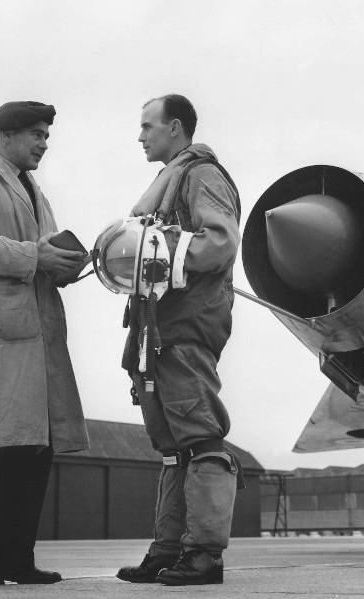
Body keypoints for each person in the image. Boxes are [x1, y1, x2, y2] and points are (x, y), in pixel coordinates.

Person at [0, 101, 90, 588]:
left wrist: (64, 266)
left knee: (31, 451)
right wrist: (37, 255)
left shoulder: (36, 193)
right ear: (4, 136)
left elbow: (42, 256)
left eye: (45, 135)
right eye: (35, 134)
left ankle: (14, 559)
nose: (43, 143)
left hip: (35, 336)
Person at [115, 94, 241, 586]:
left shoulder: (201, 175)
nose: (141, 135)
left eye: (147, 126)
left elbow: (221, 240)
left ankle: (206, 555)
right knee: (171, 446)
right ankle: (168, 549)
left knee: (200, 435)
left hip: (186, 327)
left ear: (174, 127)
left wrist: (160, 256)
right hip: (156, 329)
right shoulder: (170, 178)